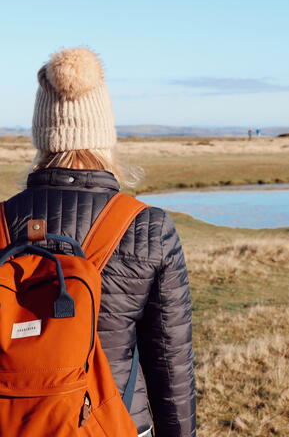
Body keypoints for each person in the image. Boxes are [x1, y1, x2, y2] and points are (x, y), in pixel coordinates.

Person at [3, 47, 196, 437]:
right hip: (117, 421)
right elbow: (169, 360)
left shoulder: (2, 221)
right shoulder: (147, 226)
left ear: (41, 136)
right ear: (105, 134)